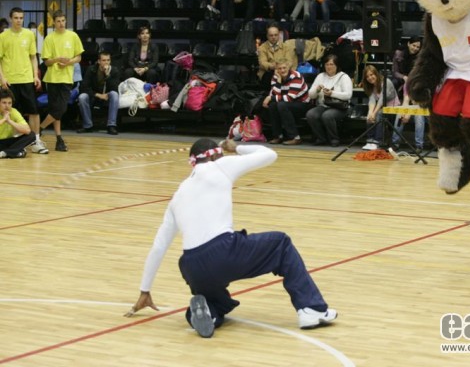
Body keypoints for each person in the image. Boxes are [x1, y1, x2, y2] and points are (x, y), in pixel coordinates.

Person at [125, 138, 337, 337]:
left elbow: (158, 247)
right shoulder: (220, 166)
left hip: (191, 266)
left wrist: (145, 290)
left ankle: (208, 313)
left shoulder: (178, 194)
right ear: (214, 155)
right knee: (280, 244)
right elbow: (269, 154)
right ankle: (311, 309)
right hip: (223, 251)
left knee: (214, 299)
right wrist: (236, 147)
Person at [0, 7, 48, 155]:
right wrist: (2, 78)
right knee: (11, 111)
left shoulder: (29, 34)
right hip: (9, 80)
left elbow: (33, 57)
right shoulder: (3, 36)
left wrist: (35, 75)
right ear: (10, 19)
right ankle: (15, 142)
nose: (19, 20)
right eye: (16, 18)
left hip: (26, 79)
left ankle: (36, 141)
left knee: (33, 110)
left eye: (21, 18)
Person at [40, 10, 84, 152]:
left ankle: (39, 129)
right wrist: (57, 59)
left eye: (63, 21)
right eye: (58, 21)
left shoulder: (73, 36)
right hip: (52, 79)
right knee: (55, 110)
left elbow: (79, 57)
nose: (61, 23)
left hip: (66, 78)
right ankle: (59, 139)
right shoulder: (49, 38)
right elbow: (46, 62)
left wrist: (69, 62)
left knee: (61, 108)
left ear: (66, 21)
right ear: (54, 22)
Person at [306, 54, 352, 147]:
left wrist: (332, 93)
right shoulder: (320, 76)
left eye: (331, 64)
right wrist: (317, 90)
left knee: (327, 115)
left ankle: (334, 139)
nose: (329, 67)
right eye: (327, 64)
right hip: (323, 105)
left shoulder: (344, 77)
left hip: (340, 107)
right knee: (311, 114)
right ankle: (321, 138)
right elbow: (311, 95)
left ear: (337, 65)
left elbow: (348, 95)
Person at [391, 37, 427, 152]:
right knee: (400, 114)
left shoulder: (421, 63)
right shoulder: (399, 54)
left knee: (419, 115)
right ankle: (395, 143)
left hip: (419, 96)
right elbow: (406, 95)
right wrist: (405, 109)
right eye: (414, 45)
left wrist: (410, 110)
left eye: (418, 47)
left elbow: (419, 98)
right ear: (408, 44)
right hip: (406, 89)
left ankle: (419, 146)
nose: (415, 48)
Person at [262, 58, 310, 145]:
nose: (282, 70)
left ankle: (295, 137)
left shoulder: (296, 76)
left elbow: (290, 98)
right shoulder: (275, 77)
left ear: (288, 67)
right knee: (273, 105)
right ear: (276, 69)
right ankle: (278, 136)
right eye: (279, 68)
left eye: (284, 68)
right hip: (285, 102)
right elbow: (274, 94)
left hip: (302, 103)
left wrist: (270, 98)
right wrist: (279, 81)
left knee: (281, 105)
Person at [76, 51, 120, 135]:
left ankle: (111, 126)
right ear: (99, 61)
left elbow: (115, 88)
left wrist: (108, 76)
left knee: (114, 94)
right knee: (82, 97)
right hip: (93, 95)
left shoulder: (114, 70)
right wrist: (98, 95)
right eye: (104, 60)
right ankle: (88, 126)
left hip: (107, 96)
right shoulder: (91, 69)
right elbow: (84, 87)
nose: (106, 62)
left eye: (108, 60)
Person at [361, 65, 400, 150]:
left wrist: (374, 113)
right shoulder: (371, 86)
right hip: (382, 107)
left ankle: (377, 141)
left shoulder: (386, 82)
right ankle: (370, 140)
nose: (370, 78)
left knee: (378, 114)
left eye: (371, 74)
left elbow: (382, 99)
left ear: (376, 74)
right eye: (367, 76)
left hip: (393, 108)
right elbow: (372, 100)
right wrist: (370, 112)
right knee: (369, 115)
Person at [0, 87, 35, 159]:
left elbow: (27, 130)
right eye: (4, 103)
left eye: (9, 103)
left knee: (31, 135)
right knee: (21, 152)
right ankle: (15, 152)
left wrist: (10, 121)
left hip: (7, 141)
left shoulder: (14, 111)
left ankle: (5, 153)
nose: (7, 106)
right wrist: (4, 119)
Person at [257, 24, 295, 88]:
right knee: (272, 75)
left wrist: (281, 68)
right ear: (267, 36)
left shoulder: (286, 47)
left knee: (288, 75)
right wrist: (272, 66)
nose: (273, 37)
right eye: (271, 35)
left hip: (284, 70)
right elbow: (262, 63)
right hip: (268, 72)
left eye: (275, 35)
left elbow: (289, 62)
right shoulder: (262, 48)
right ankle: (274, 92)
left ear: (279, 35)